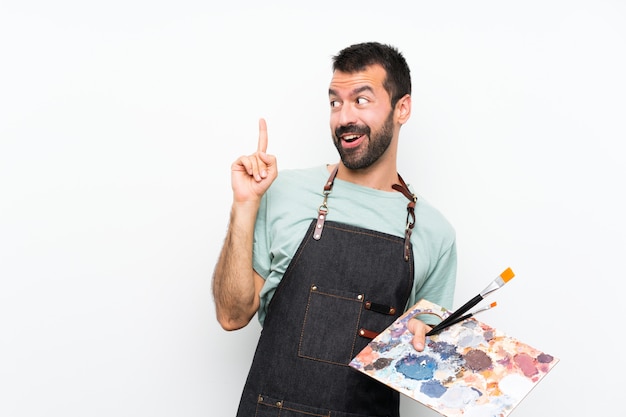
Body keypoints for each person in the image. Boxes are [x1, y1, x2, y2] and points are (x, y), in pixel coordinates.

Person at [212, 41, 457, 417]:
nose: (344, 117)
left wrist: (428, 345)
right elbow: (232, 316)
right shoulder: (283, 193)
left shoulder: (434, 233)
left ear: (401, 108)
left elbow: (425, 362)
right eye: (335, 102)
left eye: (361, 100)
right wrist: (245, 205)